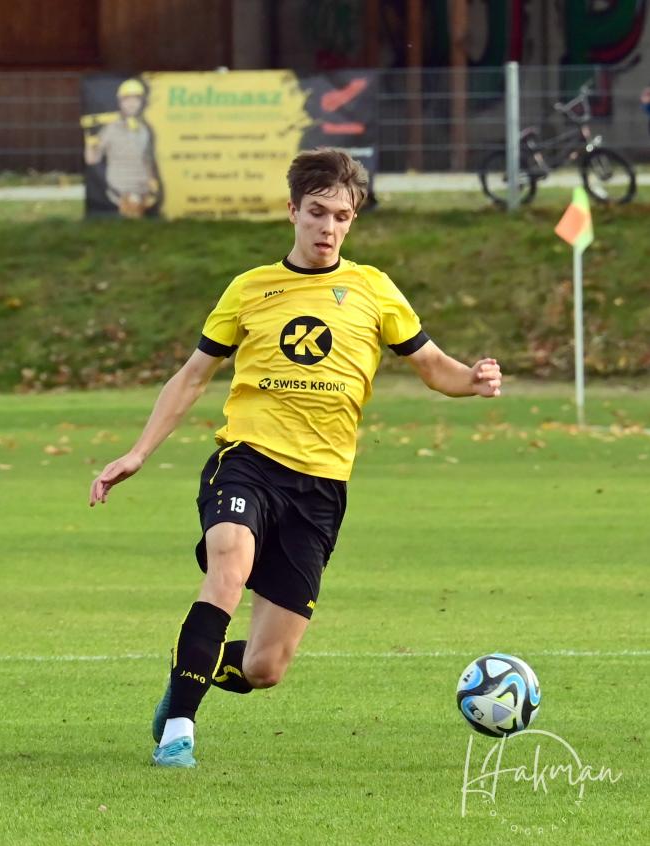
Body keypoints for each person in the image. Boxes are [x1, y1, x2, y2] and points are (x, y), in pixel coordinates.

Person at [89, 148, 501, 768]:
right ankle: (179, 731)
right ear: (292, 211)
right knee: (229, 565)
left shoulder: (373, 290)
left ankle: (189, 672)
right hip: (247, 463)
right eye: (316, 213)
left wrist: (474, 379)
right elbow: (193, 376)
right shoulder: (250, 289)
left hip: (321, 489)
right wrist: (138, 452)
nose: (328, 228)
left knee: (265, 667)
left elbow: (432, 365)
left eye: (342, 216)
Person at [84, 78, 161, 218]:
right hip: (120, 196)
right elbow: (92, 159)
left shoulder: (144, 129)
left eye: (136, 99)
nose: (131, 104)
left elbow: (147, 159)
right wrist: (91, 143)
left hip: (143, 193)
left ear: (141, 102)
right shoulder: (109, 129)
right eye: (127, 99)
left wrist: (152, 181)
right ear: (120, 102)